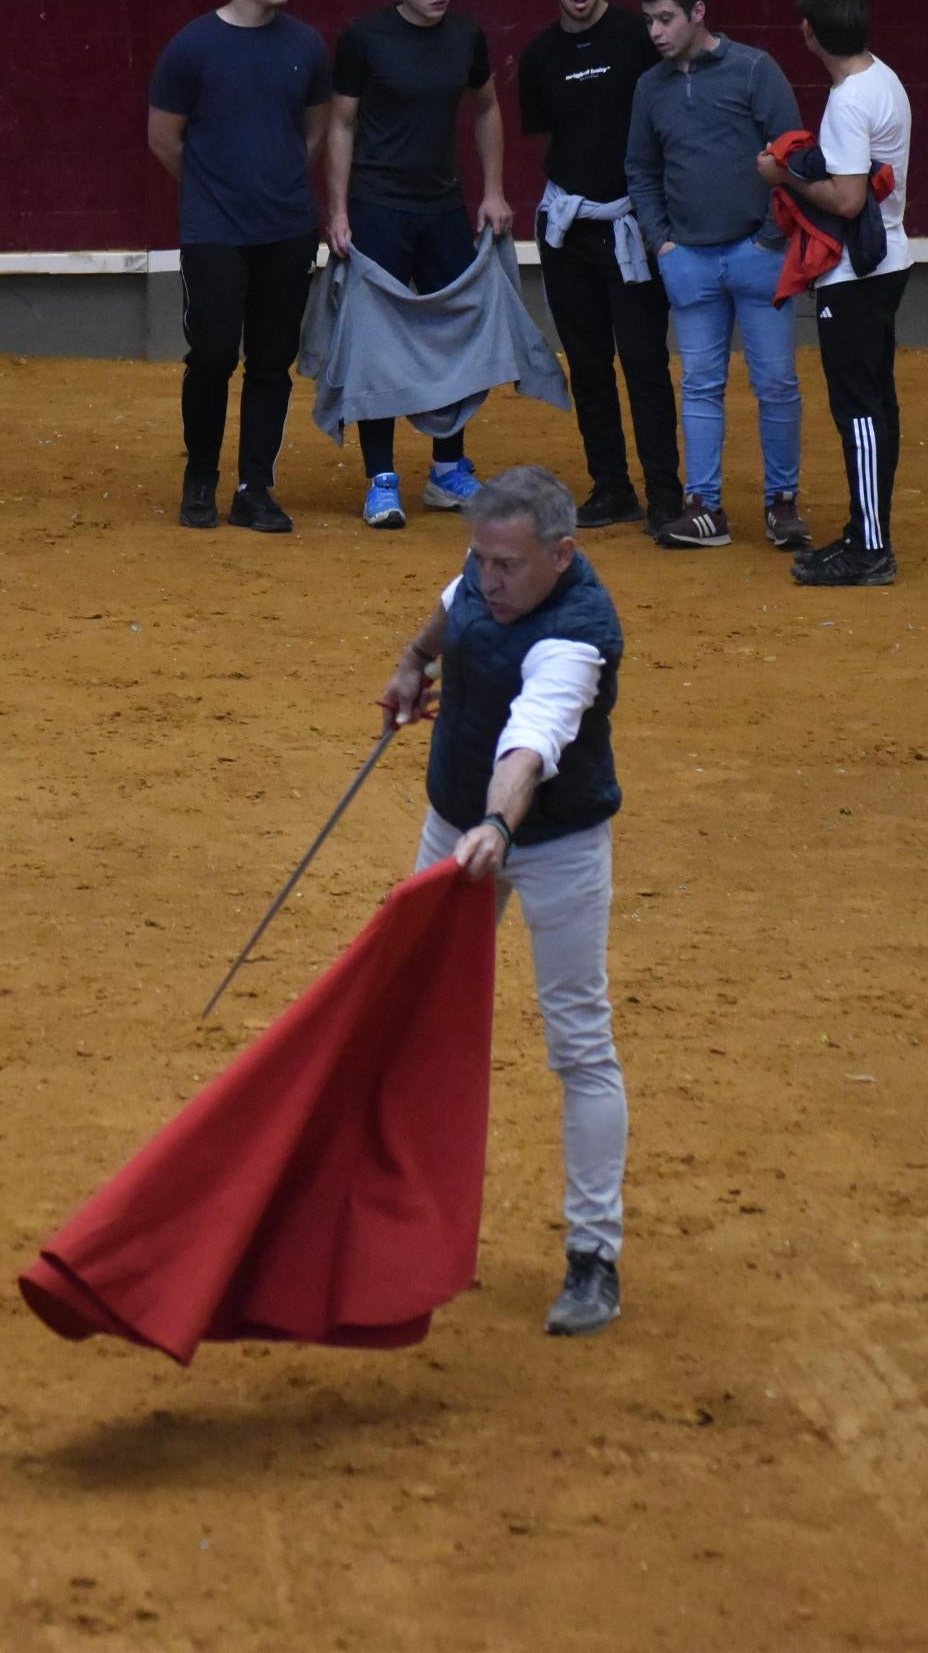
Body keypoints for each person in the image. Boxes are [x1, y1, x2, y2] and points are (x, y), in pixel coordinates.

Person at [375, 466, 629, 1339]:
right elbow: (452, 609)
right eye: (482, 559)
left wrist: (495, 826)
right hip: (455, 829)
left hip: (551, 846)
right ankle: (403, 1228)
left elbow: (532, 742)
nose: (491, 580)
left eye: (509, 566)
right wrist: (413, 665)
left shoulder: (578, 636)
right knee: (413, 1020)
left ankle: (594, 1256)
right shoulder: (488, 577)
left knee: (578, 1039)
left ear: (562, 556)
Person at [145, 0, 331, 534]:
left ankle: (255, 485)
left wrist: (271, 183)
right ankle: (201, 477)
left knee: (273, 360)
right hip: (215, 230)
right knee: (214, 354)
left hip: (286, 227)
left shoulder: (305, 44)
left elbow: (314, 130)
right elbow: (164, 138)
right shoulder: (192, 46)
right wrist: (214, 191)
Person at [325, 0, 510, 528]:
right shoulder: (363, 40)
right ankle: (381, 477)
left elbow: (486, 107)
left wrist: (494, 192)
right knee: (377, 343)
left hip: (443, 206)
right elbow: (342, 125)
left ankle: (448, 470)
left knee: (451, 333)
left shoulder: (465, 37)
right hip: (378, 206)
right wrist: (339, 210)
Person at [624, 0, 806, 553]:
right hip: (690, 258)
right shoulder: (650, 87)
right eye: (649, 20)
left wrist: (772, 240)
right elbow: (641, 171)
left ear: (699, 13)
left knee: (775, 382)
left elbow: (794, 158)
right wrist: (663, 244)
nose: (655, 32)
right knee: (700, 383)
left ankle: (782, 503)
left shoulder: (754, 70)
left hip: (759, 252)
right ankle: (704, 506)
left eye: (666, 18)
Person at [519, 0, 681, 539]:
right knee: (586, 362)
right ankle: (611, 485)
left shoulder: (641, 39)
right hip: (569, 231)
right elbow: (552, 137)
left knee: (643, 361)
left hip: (632, 228)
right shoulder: (537, 58)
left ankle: (665, 492)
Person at [756, 0, 912, 589]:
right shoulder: (884, 78)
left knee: (859, 409)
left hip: (855, 272)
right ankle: (863, 531)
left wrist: (781, 175)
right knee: (874, 403)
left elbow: (847, 201)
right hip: (888, 259)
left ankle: (872, 546)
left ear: (810, 33)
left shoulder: (849, 100)